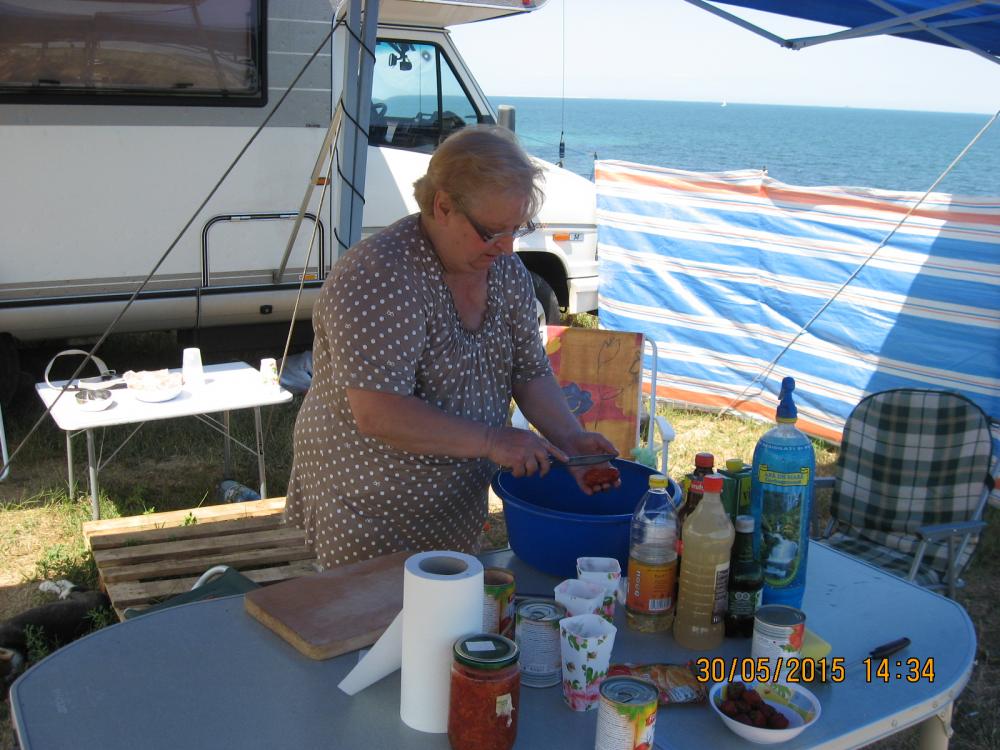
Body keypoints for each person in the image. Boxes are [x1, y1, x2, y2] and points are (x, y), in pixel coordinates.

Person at [283, 125, 618, 569]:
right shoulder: (379, 277)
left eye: (516, 229)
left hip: (453, 500)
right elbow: (379, 412)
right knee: (372, 609)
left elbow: (529, 371)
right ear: (442, 206)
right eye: (492, 232)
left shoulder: (507, 273)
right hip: (367, 503)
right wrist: (493, 440)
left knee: (446, 601)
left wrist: (572, 441)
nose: (507, 248)